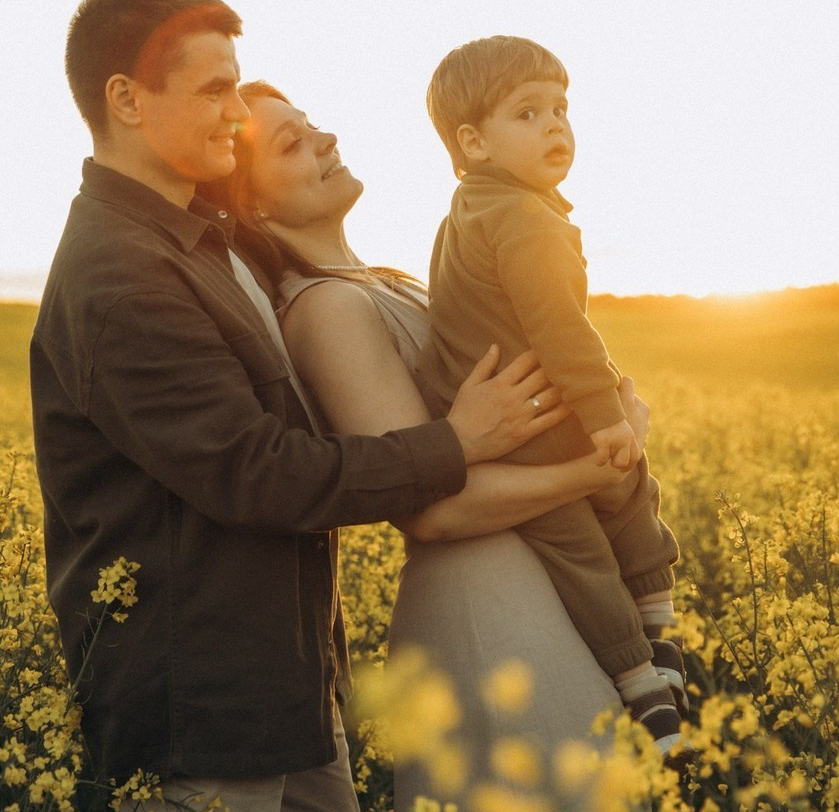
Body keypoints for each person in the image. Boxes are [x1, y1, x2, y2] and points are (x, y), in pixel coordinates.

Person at [30, 0, 565, 812]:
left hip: (285, 692)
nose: (235, 115)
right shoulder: (120, 274)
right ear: (127, 99)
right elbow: (259, 475)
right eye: (214, 91)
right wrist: (455, 444)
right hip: (200, 719)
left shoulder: (199, 242)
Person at [206, 81, 644, 808]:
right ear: (252, 205)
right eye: (291, 143)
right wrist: (593, 469)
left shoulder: (385, 281)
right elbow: (431, 512)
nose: (324, 138)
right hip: (483, 601)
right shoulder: (327, 309)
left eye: (312, 123)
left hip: (535, 579)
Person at [416, 35, 689, 756]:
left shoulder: (466, 212)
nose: (555, 126)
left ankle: (643, 688)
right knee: (628, 491)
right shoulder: (527, 219)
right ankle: (658, 643)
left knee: (578, 550)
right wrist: (605, 418)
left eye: (561, 108)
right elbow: (561, 328)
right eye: (528, 112)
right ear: (472, 141)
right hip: (545, 415)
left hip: (505, 420)